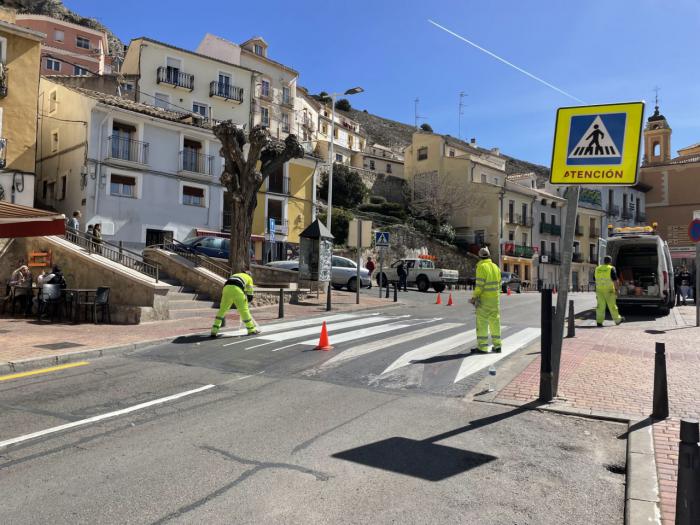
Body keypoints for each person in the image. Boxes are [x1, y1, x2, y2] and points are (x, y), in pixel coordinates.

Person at [470, 247, 501, 353]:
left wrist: (474, 297)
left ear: (480, 257)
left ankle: (482, 347)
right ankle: (497, 346)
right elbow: (499, 285)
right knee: (495, 322)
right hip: (495, 300)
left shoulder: (481, 267)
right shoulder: (496, 267)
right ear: (489, 256)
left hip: (484, 301)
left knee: (482, 323)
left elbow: (479, 285)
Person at [210, 270, 260, 337]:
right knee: (244, 310)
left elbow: (228, 283)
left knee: (222, 310)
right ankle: (251, 330)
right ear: (249, 275)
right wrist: (248, 299)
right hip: (237, 290)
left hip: (226, 289)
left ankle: (214, 330)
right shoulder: (249, 278)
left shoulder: (235, 274)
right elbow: (250, 292)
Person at [594, 255, 623, 327]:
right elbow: (615, 280)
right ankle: (617, 320)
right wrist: (617, 289)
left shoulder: (597, 268)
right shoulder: (611, 268)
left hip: (599, 290)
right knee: (612, 306)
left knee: (600, 306)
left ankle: (599, 322)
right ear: (610, 262)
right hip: (609, 290)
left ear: (604, 261)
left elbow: (594, 279)